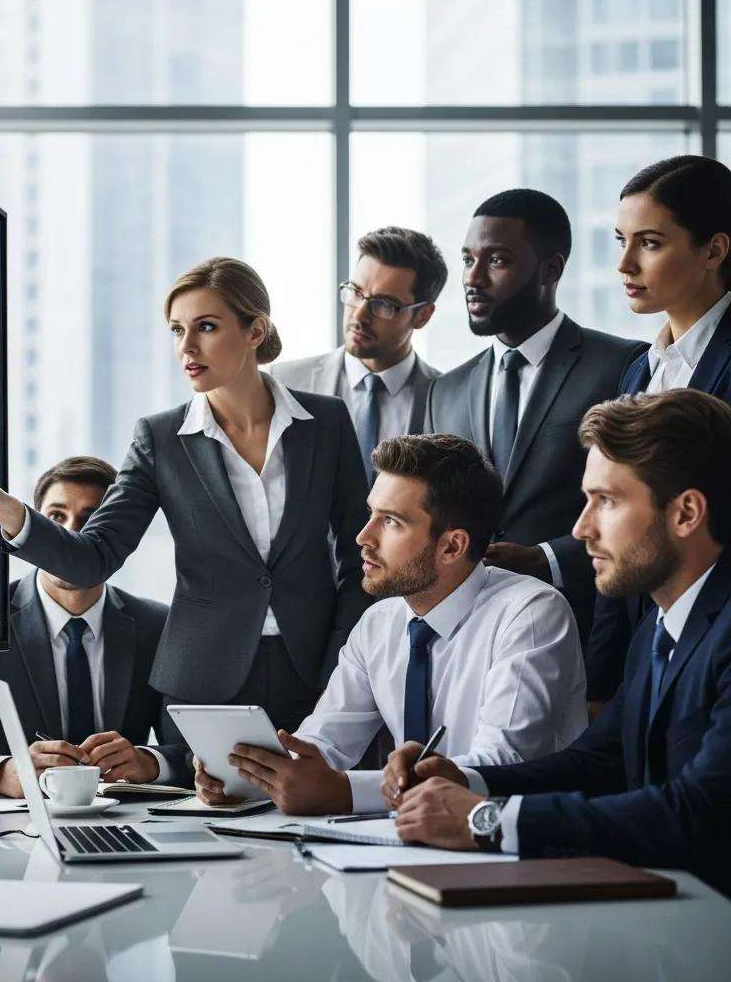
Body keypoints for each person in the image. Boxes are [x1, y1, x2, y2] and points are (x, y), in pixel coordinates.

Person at [0, 257, 371, 760]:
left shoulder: (326, 422)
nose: (187, 347)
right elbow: (95, 556)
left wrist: (343, 659)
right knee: (212, 824)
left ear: (255, 331)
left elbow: (363, 558)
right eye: (177, 330)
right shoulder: (161, 439)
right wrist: (12, 514)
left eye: (206, 327)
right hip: (205, 684)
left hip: (314, 671)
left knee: (315, 818)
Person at [387, 390, 731, 895]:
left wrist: (488, 820)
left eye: (607, 501)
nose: (581, 529)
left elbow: (697, 812)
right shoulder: (658, 629)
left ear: (686, 513)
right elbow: (599, 762)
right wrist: (466, 781)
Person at [194, 434, 586, 816]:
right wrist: (248, 776)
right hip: (409, 842)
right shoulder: (379, 622)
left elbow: (501, 763)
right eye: (371, 514)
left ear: (452, 546)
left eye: (391, 522)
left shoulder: (531, 612)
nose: (363, 537)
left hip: (511, 849)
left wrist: (347, 792)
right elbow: (324, 743)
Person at [0, 457, 188, 798]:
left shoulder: (157, 625)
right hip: (9, 835)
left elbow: (193, 754)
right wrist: (4, 773)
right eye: (56, 517)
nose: (71, 533)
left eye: (91, 520)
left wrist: (149, 762)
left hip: (129, 826)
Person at [424, 188, 646, 639]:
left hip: (582, 626)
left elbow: (638, 508)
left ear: (551, 269)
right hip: (468, 636)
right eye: (468, 260)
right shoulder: (445, 390)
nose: (474, 278)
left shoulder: (620, 366)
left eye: (497, 261)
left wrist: (546, 559)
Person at [585, 155, 731, 706]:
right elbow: (612, 516)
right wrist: (602, 681)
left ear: (714, 250)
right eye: (620, 240)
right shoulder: (639, 371)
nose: (624, 264)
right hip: (647, 648)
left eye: (649, 243)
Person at [271, 226, 446, 482]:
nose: (359, 315)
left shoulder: (447, 397)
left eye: (384, 304)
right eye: (355, 292)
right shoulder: (285, 383)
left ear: (422, 315)